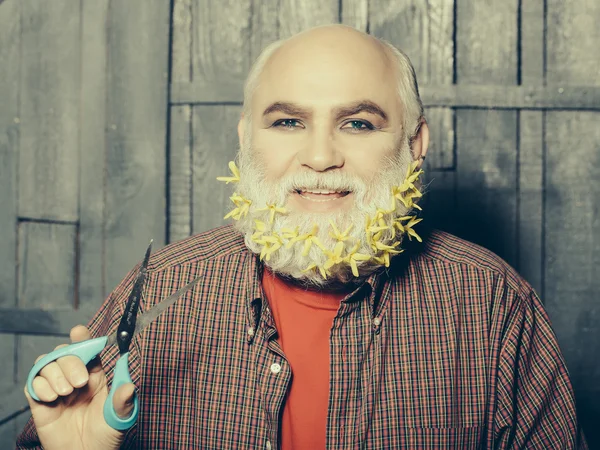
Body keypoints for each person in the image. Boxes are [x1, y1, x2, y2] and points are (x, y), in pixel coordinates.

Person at [16, 24, 587, 449]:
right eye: (288, 122)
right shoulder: (164, 285)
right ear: (247, 139)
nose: (319, 156)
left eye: (358, 123)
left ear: (414, 145)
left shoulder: (493, 304)